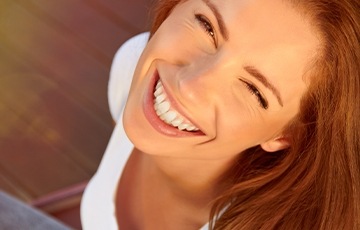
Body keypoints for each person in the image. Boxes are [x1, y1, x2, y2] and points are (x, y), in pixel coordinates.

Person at [81, 0, 360, 229]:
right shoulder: (132, 66)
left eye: (253, 90)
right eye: (207, 26)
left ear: (284, 135)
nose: (189, 87)